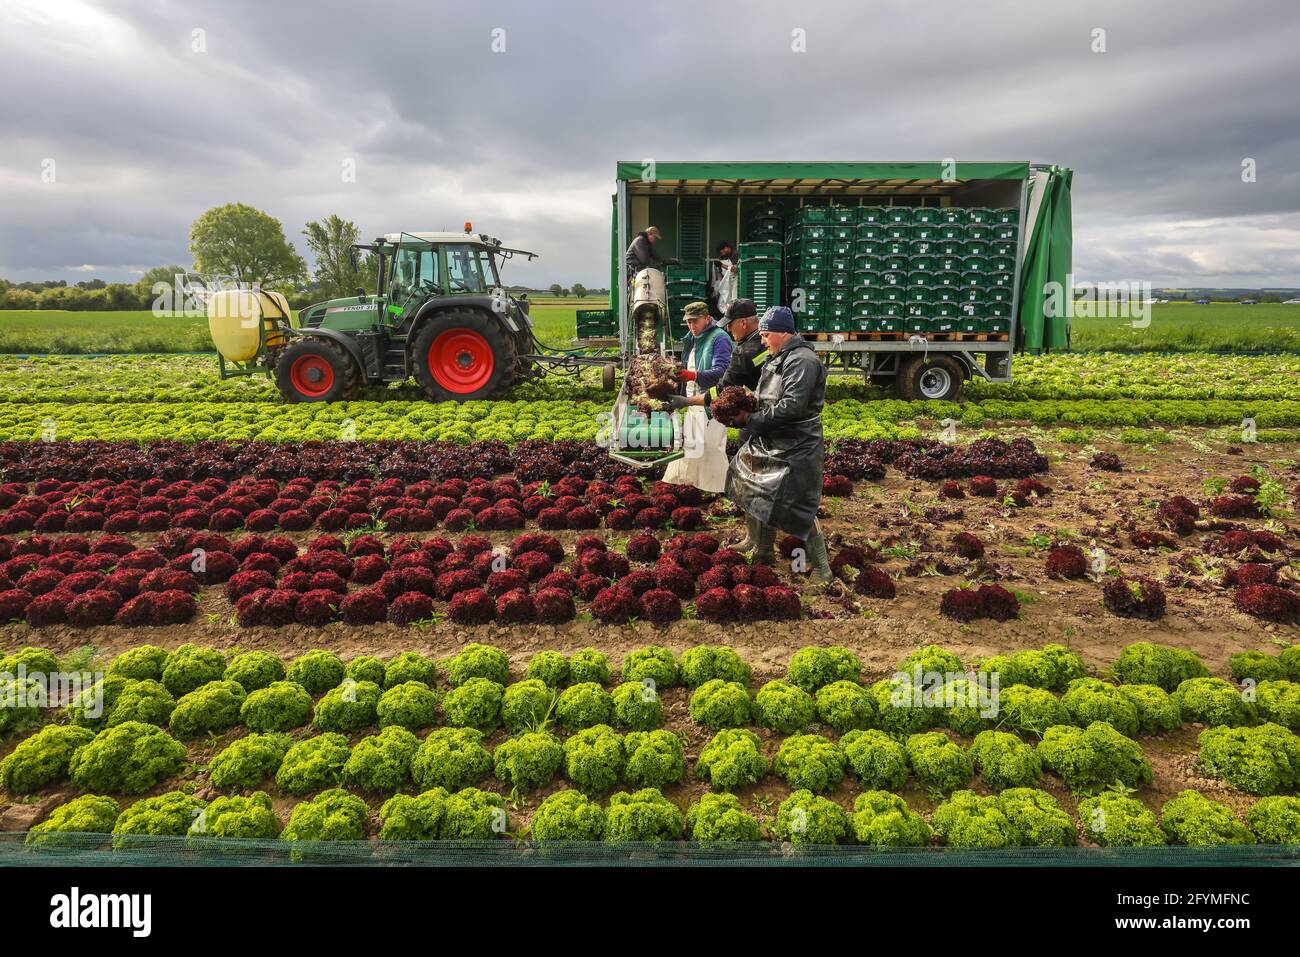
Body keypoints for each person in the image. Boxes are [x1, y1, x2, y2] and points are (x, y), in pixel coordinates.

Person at [724, 305, 833, 583]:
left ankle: (822, 569)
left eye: (766, 334)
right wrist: (742, 405)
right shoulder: (776, 357)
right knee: (753, 488)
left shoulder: (802, 361)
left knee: (799, 507)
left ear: (784, 333)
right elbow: (765, 396)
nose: (762, 341)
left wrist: (751, 419)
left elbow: (792, 407)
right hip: (771, 439)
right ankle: (762, 550)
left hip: (797, 444)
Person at [660, 301, 734, 493]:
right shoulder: (693, 338)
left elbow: (723, 373)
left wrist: (693, 375)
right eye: (689, 322)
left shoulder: (720, 338)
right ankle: (691, 486)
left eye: (696, 321)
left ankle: (718, 490)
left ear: (707, 318)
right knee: (692, 445)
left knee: (711, 447)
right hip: (693, 401)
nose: (692, 326)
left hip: (713, 403)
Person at [708, 239, 738, 318]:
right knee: (723, 304)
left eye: (722, 251)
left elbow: (735, 270)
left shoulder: (735, 255)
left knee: (733, 303)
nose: (722, 254)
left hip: (735, 283)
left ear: (726, 248)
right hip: (727, 284)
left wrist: (721, 265)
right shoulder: (724, 256)